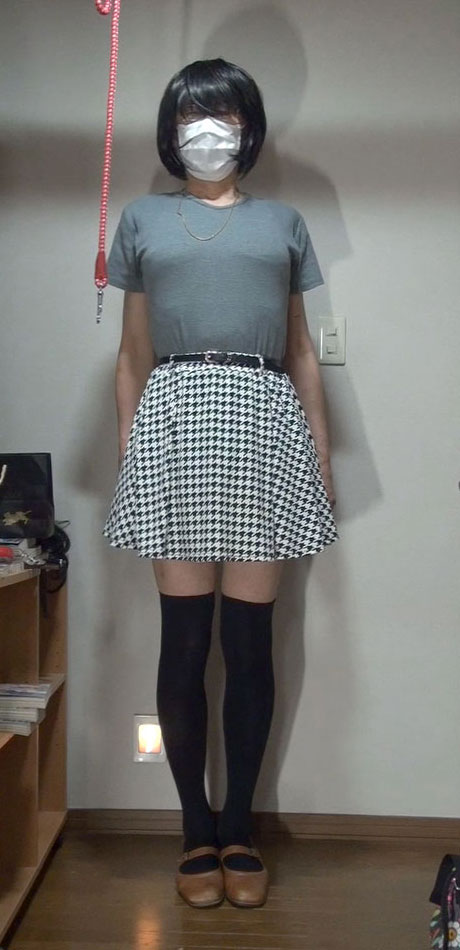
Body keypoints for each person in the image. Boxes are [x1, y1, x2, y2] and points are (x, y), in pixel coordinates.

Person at [102, 57, 338, 909]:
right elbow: (132, 356)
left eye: (225, 113)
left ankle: (239, 827)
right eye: (192, 114)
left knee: (248, 644)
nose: (208, 129)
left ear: (248, 126)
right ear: (172, 130)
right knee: (183, 641)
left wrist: (320, 455)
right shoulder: (141, 219)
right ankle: (193, 829)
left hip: (264, 421)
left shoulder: (283, 223)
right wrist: (132, 453)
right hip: (173, 421)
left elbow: (301, 350)